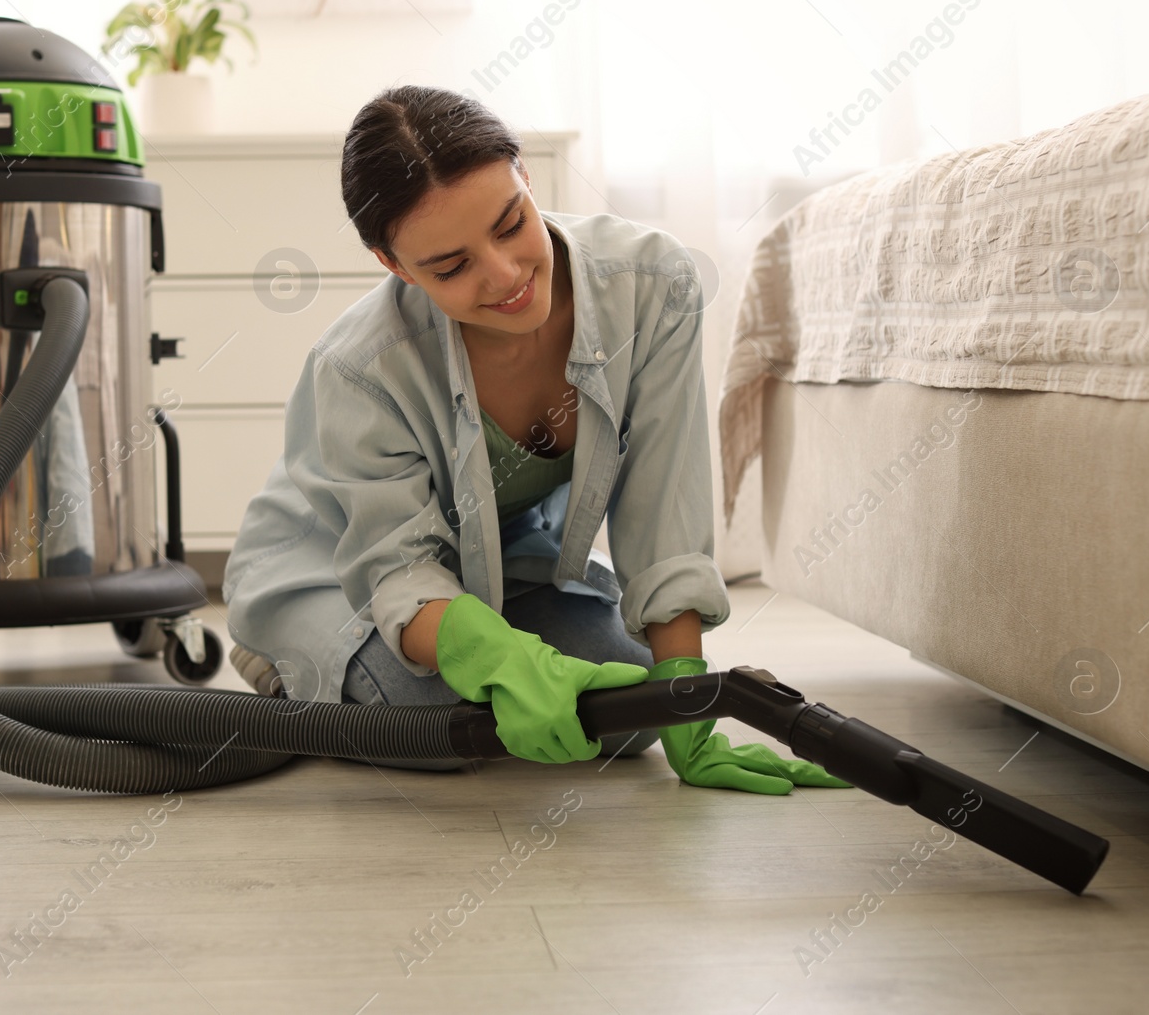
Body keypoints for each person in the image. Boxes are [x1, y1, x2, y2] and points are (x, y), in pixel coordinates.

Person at [222, 85, 847, 794]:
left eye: (510, 222)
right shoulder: (359, 368)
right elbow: (395, 569)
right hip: (333, 567)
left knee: (630, 709)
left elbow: (664, 504)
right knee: (440, 722)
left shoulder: (651, 286)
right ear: (394, 265)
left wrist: (684, 694)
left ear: (525, 173)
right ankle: (283, 656)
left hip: (499, 565)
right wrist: (498, 658)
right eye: (451, 267)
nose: (506, 275)